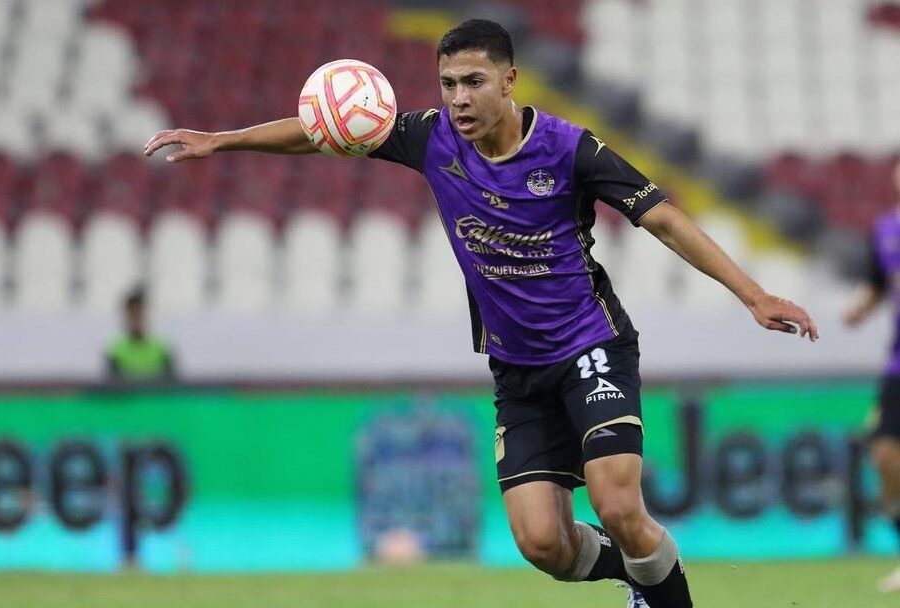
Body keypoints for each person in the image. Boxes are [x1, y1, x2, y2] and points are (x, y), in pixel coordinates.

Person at [144, 19, 818, 608]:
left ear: (509, 81)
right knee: (542, 545)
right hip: (517, 371)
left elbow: (663, 218)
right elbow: (323, 131)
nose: (458, 98)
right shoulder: (431, 138)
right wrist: (224, 140)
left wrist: (751, 294)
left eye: (472, 81)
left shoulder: (568, 149)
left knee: (615, 504)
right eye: (447, 83)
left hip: (591, 345)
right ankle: (648, 574)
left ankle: (661, 589)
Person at [844, 161, 900, 594]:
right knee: (885, 456)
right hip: (897, 365)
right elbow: (879, 283)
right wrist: (861, 307)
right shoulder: (885, 230)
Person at [105, 286, 176, 383]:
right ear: (126, 316)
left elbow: (174, 385)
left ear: (146, 314)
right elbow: (110, 387)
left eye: (139, 312)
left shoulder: (162, 349)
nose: (136, 317)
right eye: (132, 313)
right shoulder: (115, 351)